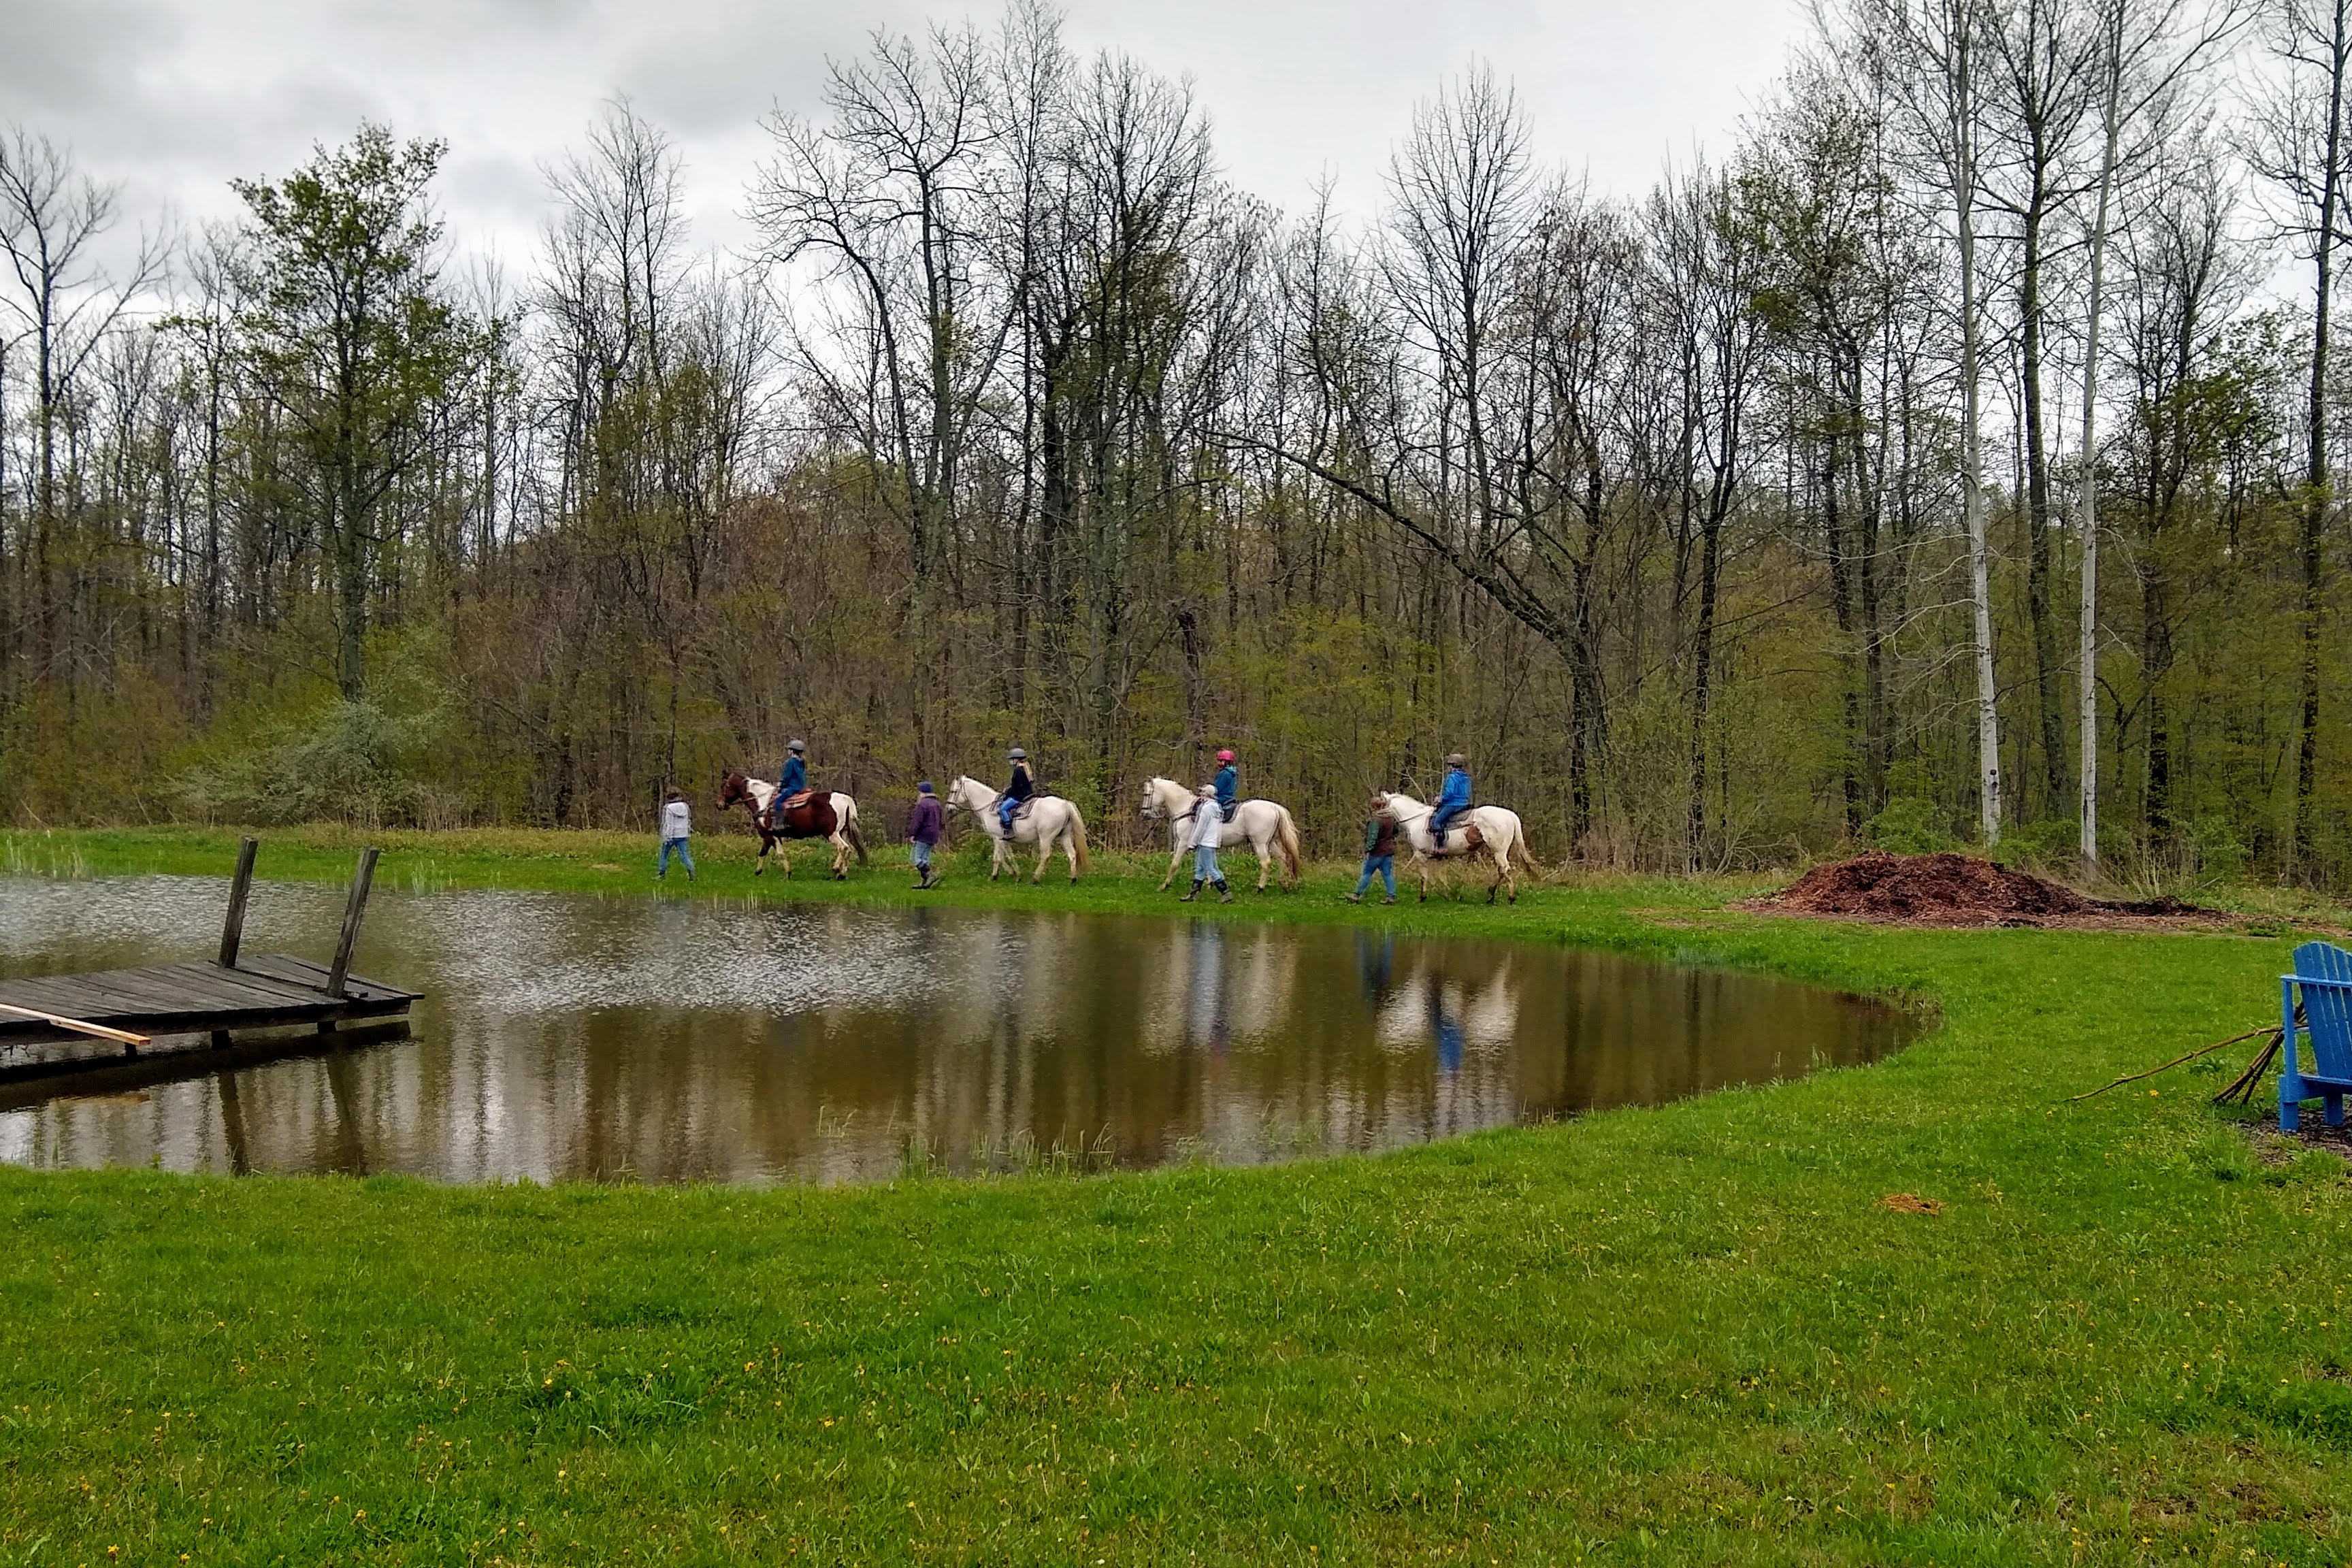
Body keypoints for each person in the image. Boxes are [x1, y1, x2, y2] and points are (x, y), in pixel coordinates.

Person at [1181, 783, 1233, 903]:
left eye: (1203, 792)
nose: (1201, 794)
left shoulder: (1206, 809)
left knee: (1211, 869)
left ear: (1207, 794)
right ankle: (1193, 895)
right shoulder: (1216, 807)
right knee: (1200, 868)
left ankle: (1226, 892)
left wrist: (1192, 843)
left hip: (1205, 843)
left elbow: (1200, 827)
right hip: (1211, 842)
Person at [1344, 795, 1398, 904]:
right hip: (1388, 851)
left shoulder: (1376, 820)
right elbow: (1396, 831)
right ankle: (1391, 896)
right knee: (1387, 874)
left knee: (1367, 873)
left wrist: (1368, 850)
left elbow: (1372, 837)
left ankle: (1357, 895)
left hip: (1377, 852)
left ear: (1373, 807)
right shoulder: (1391, 818)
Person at [907, 780, 945, 889]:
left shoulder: (922, 804)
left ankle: (931, 875)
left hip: (923, 834)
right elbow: (941, 821)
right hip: (934, 835)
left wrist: (912, 834)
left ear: (923, 792)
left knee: (915, 859)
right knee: (925, 858)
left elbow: (917, 821)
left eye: (919, 792)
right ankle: (925, 882)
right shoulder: (937, 804)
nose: (918, 794)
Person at [1431, 753, 1472, 850]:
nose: (1448, 768)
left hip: (1453, 804)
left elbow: (1449, 793)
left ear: (1453, 765)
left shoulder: (1452, 777)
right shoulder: (1466, 777)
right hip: (1464, 803)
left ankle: (1441, 847)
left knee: (1436, 822)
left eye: (1449, 765)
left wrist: (1440, 799)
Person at [655, 789, 695, 882]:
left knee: (664, 854)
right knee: (685, 855)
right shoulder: (685, 807)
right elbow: (688, 820)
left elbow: (668, 823)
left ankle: (662, 874)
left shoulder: (668, 808)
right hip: (683, 834)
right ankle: (691, 873)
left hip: (672, 835)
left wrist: (666, 836)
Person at [998, 747, 1034, 836]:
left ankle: (1008, 828)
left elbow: (1016, 787)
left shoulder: (1018, 770)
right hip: (1028, 793)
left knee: (1002, 808)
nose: (1011, 762)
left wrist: (1006, 794)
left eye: (1012, 759)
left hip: (1019, 796)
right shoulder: (1025, 768)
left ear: (1016, 760)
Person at [777, 740, 808, 804]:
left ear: (792, 751)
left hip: (792, 788)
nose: (788, 751)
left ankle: (780, 814)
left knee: (778, 801)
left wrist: (781, 785)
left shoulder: (790, 762)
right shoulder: (801, 763)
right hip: (801, 787)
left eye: (789, 749)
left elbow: (787, 777)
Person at [1212, 748, 1239, 819]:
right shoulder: (1233, 773)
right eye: (1218, 761)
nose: (1218, 763)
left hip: (1222, 799)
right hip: (1230, 798)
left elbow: (1216, 789)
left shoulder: (1224, 773)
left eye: (1220, 761)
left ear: (1226, 762)